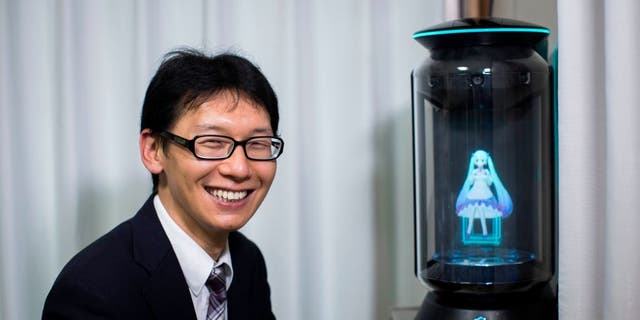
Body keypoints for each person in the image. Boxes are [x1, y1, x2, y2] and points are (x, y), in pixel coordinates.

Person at [42, 49, 283, 320]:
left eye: (258, 144)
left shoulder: (247, 261)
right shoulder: (92, 291)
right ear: (154, 150)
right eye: (213, 142)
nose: (239, 168)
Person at [455, 149, 512, 236]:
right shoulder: (474, 172)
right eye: (477, 160)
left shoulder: (486, 172)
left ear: (485, 162)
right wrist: (472, 177)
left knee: (481, 210)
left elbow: (490, 182)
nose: (480, 162)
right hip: (475, 192)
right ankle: (469, 230)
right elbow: (470, 182)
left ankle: (484, 231)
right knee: (472, 211)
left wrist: (486, 178)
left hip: (484, 193)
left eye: (482, 160)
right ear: (474, 162)